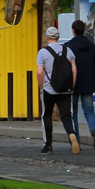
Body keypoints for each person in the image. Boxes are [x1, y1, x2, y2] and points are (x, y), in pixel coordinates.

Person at [36, 26, 79, 154]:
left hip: (49, 89)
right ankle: (71, 134)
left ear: (46, 37)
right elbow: (74, 70)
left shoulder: (42, 52)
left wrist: (41, 86)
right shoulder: (68, 50)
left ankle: (48, 145)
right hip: (65, 89)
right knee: (67, 116)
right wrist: (72, 86)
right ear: (58, 37)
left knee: (47, 116)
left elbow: (39, 72)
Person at [64, 19, 95, 149]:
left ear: (73, 30)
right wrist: (93, 80)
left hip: (73, 84)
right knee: (89, 110)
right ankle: (94, 129)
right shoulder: (92, 46)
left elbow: (66, 67)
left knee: (73, 113)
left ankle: (77, 142)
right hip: (88, 83)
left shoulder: (68, 47)